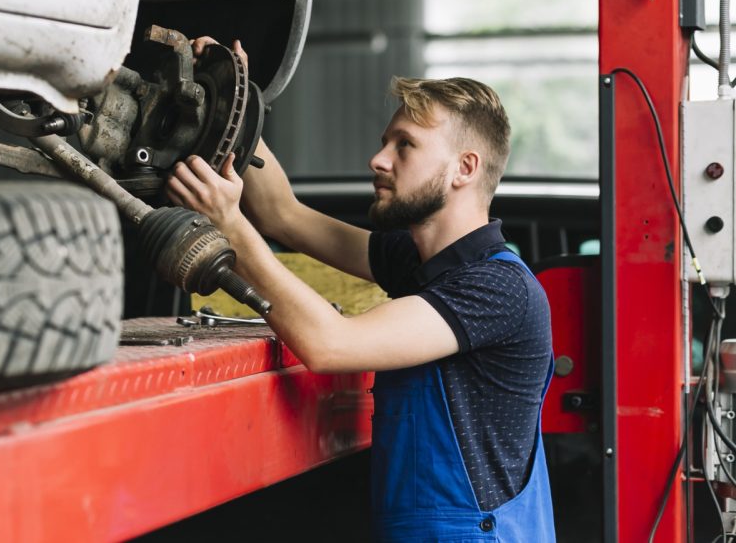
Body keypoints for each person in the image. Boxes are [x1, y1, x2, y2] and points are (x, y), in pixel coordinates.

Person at [167, 38, 556, 542]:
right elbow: (285, 215)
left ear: (465, 168)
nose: (377, 159)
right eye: (385, 142)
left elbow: (332, 345)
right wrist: (239, 97)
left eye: (405, 145)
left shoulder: (496, 288)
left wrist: (229, 226)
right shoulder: (419, 263)